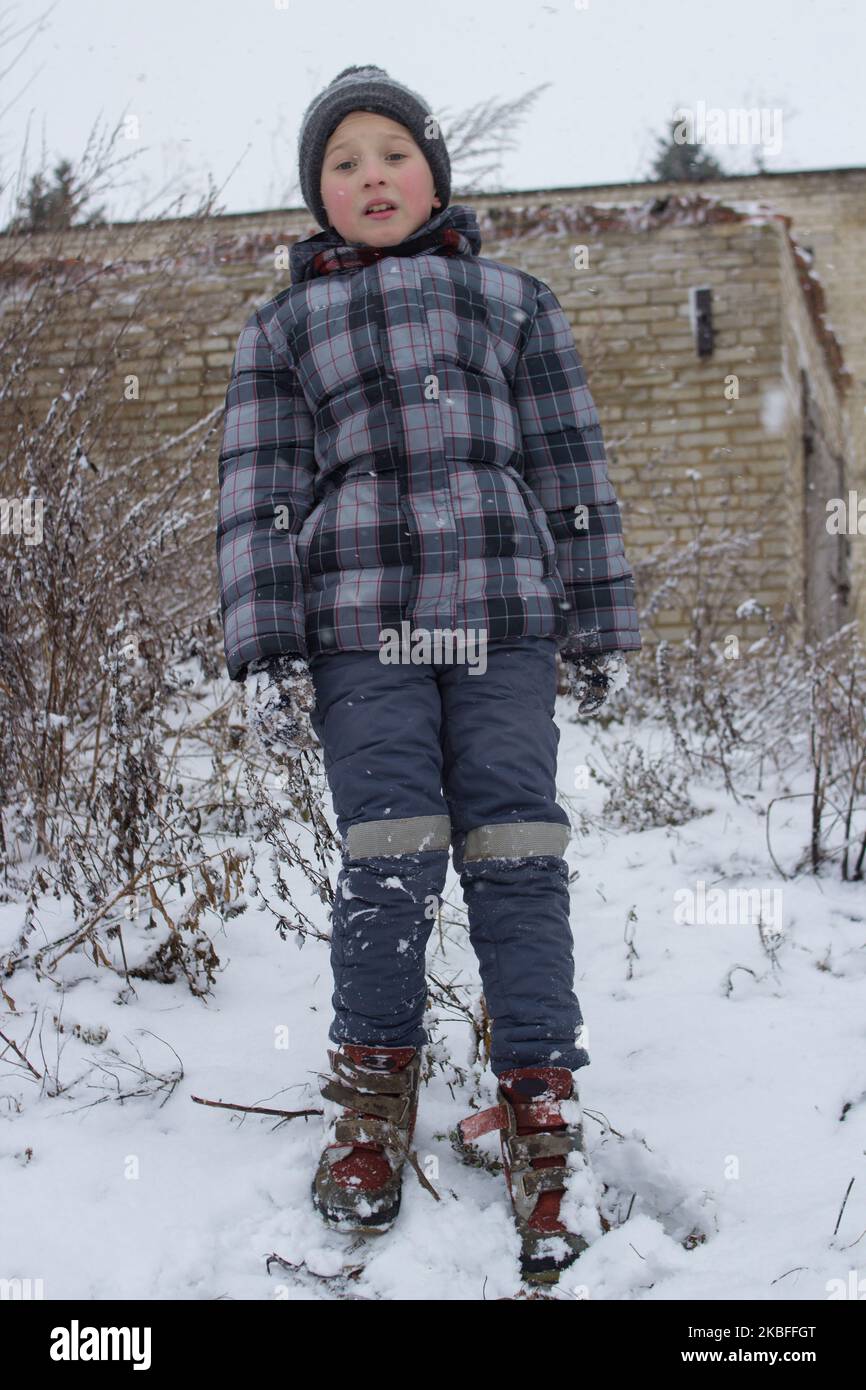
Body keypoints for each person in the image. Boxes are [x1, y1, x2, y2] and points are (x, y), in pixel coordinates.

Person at [216, 65, 641, 1284]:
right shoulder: (283, 326)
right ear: (318, 198)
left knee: (516, 849)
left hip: (503, 620)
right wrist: (268, 638)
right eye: (340, 164)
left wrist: (599, 617)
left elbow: (571, 464)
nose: (369, 178)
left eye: (389, 154)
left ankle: (539, 1101)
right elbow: (258, 494)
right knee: (388, 851)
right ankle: (368, 1108)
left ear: (433, 171)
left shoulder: (512, 300)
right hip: (364, 626)